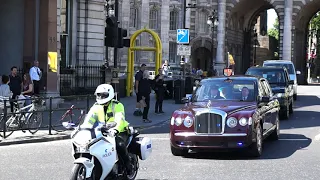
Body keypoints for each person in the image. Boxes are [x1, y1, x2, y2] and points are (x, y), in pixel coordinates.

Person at [81, 84, 133, 175]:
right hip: (103, 131)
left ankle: (128, 166)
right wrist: (83, 128)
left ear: (110, 94)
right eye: (99, 95)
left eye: (103, 95)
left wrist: (115, 129)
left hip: (119, 131)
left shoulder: (117, 105)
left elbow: (120, 119)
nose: (101, 97)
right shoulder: (96, 107)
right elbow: (89, 119)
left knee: (119, 145)